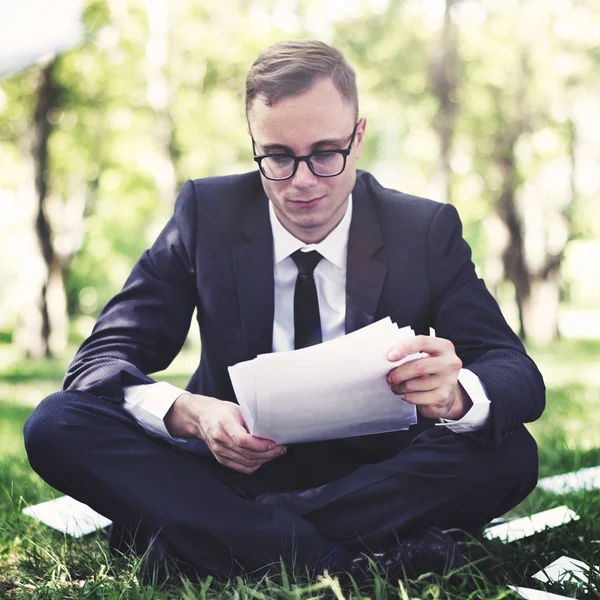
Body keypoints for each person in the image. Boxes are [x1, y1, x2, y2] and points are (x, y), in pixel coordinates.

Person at [23, 40, 545, 584]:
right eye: (277, 156)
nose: (302, 181)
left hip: (375, 476)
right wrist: (193, 414)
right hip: (230, 470)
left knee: (510, 453)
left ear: (358, 137)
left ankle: (210, 541)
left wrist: (456, 394)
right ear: (254, 143)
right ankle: (342, 563)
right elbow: (99, 362)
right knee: (56, 423)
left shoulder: (423, 230)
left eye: (326, 152)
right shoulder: (206, 213)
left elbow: (515, 372)